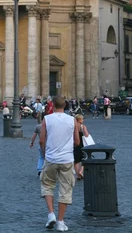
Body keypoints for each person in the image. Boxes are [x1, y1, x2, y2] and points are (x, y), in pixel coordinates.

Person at [39, 96, 80, 231]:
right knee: (65, 189)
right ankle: (61, 221)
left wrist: (45, 154)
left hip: (51, 158)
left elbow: (41, 140)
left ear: (53, 105)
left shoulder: (47, 119)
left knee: (47, 185)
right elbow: (77, 141)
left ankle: (51, 214)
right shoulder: (72, 120)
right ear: (65, 105)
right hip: (67, 159)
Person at [73, 114, 90, 180]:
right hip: (82, 144)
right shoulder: (82, 126)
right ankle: (81, 171)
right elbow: (86, 135)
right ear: (79, 119)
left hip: (75, 144)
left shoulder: (74, 126)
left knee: (76, 160)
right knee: (85, 158)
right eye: (82, 119)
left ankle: (78, 175)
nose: (83, 120)